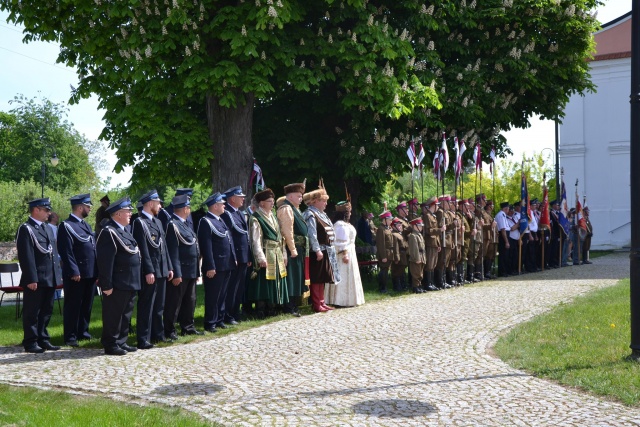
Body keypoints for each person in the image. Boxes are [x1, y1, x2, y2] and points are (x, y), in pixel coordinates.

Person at [16, 198, 63, 353]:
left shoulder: (47, 228)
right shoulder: (26, 229)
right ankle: (30, 341)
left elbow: (52, 253)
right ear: (36, 210)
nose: (49, 213)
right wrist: (31, 278)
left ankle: (43, 339)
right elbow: (26, 256)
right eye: (46, 210)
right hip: (36, 278)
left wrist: (57, 274)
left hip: (49, 276)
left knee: (46, 310)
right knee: (32, 312)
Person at [96, 197, 140, 356]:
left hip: (129, 281)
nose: (131, 213)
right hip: (118, 282)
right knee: (113, 314)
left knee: (126, 313)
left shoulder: (124, 230)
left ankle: (121, 341)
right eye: (128, 211)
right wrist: (106, 284)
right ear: (118, 214)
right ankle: (111, 343)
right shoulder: (109, 232)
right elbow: (105, 262)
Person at [132, 190, 174, 349]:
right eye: (158, 203)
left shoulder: (157, 222)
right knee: (147, 305)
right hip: (150, 271)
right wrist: (148, 270)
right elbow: (143, 249)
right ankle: (143, 338)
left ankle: (158, 335)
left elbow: (164, 247)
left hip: (161, 269)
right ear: (150, 203)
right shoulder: (139, 222)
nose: (160, 206)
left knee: (159, 306)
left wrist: (169, 266)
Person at [57, 194, 97, 347]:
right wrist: (74, 270)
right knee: (73, 305)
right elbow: (66, 251)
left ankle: (83, 332)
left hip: (89, 272)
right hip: (77, 273)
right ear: (80, 207)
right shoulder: (66, 225)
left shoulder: (85, 225)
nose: (90, 209)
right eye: (88, 206)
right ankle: (70, 336)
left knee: (86, 305)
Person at [164, 194, 203, 338]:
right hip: (181, 270)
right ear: (184, 209)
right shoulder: (173, 225)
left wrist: (196, 271)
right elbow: (173, 251)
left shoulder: (185, 224)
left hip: (191, 269)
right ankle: (169, 330)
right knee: (175, 303)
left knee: (190, 300)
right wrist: (177, 273)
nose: (190, 209)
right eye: (188, 207)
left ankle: (188, 327)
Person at [198, 192, 236, 332]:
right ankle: (210, 322)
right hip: (215, 265)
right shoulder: (206, 221)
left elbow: (228, 241)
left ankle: (219, 319)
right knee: (213, 296)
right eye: (221, 204)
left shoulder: (220, 220)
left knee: (222, 294)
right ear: (215, 206)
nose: (224, 206)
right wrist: (210, 266)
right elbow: (206, 246)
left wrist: (233, 258)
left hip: (226, 263)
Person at [247, 188, 289, 316]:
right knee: (264, 282)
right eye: (269, 201)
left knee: (276, 280)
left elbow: (280, 238)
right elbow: (255, 240)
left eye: (273, 201)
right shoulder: (256, 218)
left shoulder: (273, 216)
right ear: (262, 203)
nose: (272, 203)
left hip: (277, 253)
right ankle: (262, 309)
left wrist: (284, 254)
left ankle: (273, 306)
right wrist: (261, 258)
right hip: (266, 253)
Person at [303, 182, 339, 312]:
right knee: (317, 278)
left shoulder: (321, 213)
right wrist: (317, 250)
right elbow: (312, 234)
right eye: (323, 201)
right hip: (317, 251)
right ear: (315, 201)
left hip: (326, 250)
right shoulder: (310, 214)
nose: (326, 203)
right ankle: (316, 303)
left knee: (323, 277)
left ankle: (322, 302)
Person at [277, 182, 309, 317]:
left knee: (297, 277)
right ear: (290, 196)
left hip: (298, 248)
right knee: (291, 277)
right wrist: (292, 249)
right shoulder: (286, 209)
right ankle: (288, 306)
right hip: (291, 249)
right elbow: (287, 231)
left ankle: (294, 304)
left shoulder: (295, 208)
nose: (301, 199)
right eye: (298, 196)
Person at [325, 200, 365, 307]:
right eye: (349, 212)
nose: (350, 213)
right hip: (344, 254)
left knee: (347, 276)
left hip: (350, 251)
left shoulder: (345, 224)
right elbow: (341, 242)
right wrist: (345, 254)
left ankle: (349, 300)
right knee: (343, 275)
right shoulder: (340, 225)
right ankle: (340, 300)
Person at [221, 186, 251, 323]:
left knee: (239, 287)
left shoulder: (238, 213)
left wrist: (248, 256)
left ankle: (235, 313)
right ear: (232, 199)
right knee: (232, 288)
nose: (243, 199)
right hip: (236, 256)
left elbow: (245, 236)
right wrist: (235, 257)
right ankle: (228, 315)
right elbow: (231, 237)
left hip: (243, 256)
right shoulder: (227, 214)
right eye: (240, 197)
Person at [421, 197, 442, 291]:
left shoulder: (433, 216)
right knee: (429, 264)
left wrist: (438, 244)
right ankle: (427, 284)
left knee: (433, 264)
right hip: (429, 243)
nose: (438, 207)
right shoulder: (427, 216)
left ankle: (431, 283)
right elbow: (428, 231)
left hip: (434, 243)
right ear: (433, 205)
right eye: (437, 205)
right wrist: (440, 230)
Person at [375, 210, 394, 293]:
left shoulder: (387, 228)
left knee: (386, 271)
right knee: (383, 271)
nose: (391, 221)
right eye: (389, 220)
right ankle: (382, 288)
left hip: (389, 253)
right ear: (385, 220)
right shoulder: (381, 229)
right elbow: (381, 244)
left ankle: (384, 287)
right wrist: (383, 256)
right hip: (384, 254)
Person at [407, 217, 427, 293]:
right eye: (420, 226)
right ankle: (415, 287)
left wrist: (423, 257)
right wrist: (417, 258)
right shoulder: (413, 235)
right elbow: (414, 248)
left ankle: (419, 286)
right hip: (416, 257)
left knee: (420, 273)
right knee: (416, 273)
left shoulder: (419, 235)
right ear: (415, 226)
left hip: (421, 256)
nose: (421, 227)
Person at [390, 217, 408, 292]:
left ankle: (402, 286)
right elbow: (395, 247)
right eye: (398, 225)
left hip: (403, 254)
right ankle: (397, 287)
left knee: (401, 271)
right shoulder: (394, 234)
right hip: (399, 255)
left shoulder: (399, 234)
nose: (400, 227)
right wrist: (397, 258)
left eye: (401, 225)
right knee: (397, 271)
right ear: (393, 226)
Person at [495, 201, 511, 277]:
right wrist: (506, 241)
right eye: (508, 208)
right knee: (503, 255)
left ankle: (505, 270)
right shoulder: (501, 215)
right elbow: (503, 229)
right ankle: (502, 272)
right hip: (503, 236)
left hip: (505, 235)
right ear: (506, 208)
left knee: (506, 255)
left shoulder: (503, 215)